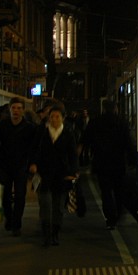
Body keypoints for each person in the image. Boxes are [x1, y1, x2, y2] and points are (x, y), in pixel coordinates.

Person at [28, 104, 79, 247]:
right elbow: (34, 150)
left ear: (63, 118)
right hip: (44, 174)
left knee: (58, 207)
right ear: (48, 118)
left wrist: (73, 172)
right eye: (52, 117)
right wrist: (33, 164)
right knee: (45, 205)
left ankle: (55, 233)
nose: (54, 119)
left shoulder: (68, 134)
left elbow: (73, 155)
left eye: (57, 116)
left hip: (61, 176)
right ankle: (46, 234)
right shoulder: (42, 132)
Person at [0, 96, 37, 237]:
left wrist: (32, 163)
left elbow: (33, 148)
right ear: (9, 109)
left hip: (21, 166)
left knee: (20, 195)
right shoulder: (1, 126)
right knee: (5, 195)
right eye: (13, 108)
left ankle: (16, 223)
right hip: (4, 166)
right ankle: (9, 218)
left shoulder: (29, 128)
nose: (16, 111)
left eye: (19, 108)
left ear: (23, 110)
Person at [83, 102, 131, 230]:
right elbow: (128, 143)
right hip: (118, 163)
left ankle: (110, 218)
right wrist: (131, 161)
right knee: (119, 190)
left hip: (101, 163)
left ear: (103, 109)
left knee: (106, 192)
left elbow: (86, 139)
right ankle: (119, 213)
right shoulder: (122, 122)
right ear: (115, 108)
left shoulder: (95, 122)